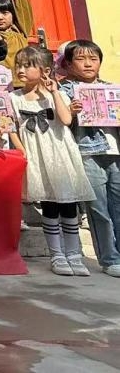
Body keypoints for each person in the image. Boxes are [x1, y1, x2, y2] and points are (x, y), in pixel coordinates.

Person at [10, 46, 95, 277]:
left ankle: (74, 254)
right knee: (49, 205)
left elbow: (66, 119)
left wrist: (55, 92)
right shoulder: (14, 98)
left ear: (45, 71)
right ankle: (57, 254)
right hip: (36, 156)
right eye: (18, 65)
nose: (21, 70)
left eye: (27, 66)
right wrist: (21, 150)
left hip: (59, 153)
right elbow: (12, 128)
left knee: (68, 205)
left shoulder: (56, 95)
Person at [57, 39, 120, 278]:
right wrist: (72, 112)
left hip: (115, 152)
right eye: (81, 59)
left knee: (118, 207)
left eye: (93, 59)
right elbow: (62, 123)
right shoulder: (65, 91)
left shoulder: (111, 88)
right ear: (69, 64)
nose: (88, 64)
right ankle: (109, 259)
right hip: (88, 153)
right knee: (99, 210)